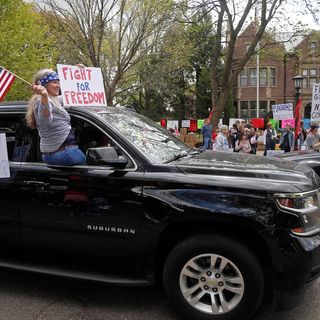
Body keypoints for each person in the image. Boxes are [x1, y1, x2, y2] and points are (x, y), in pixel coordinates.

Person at [25, 68, 86, 165]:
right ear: (43, 85)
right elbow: (45, 122)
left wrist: (78, 72)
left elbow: (73, 95)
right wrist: (44, 96)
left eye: (58, 82)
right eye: (54, 82)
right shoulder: (42, 100)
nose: (58, 85)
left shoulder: (53, 99)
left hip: (61, 152)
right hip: (65, 153)